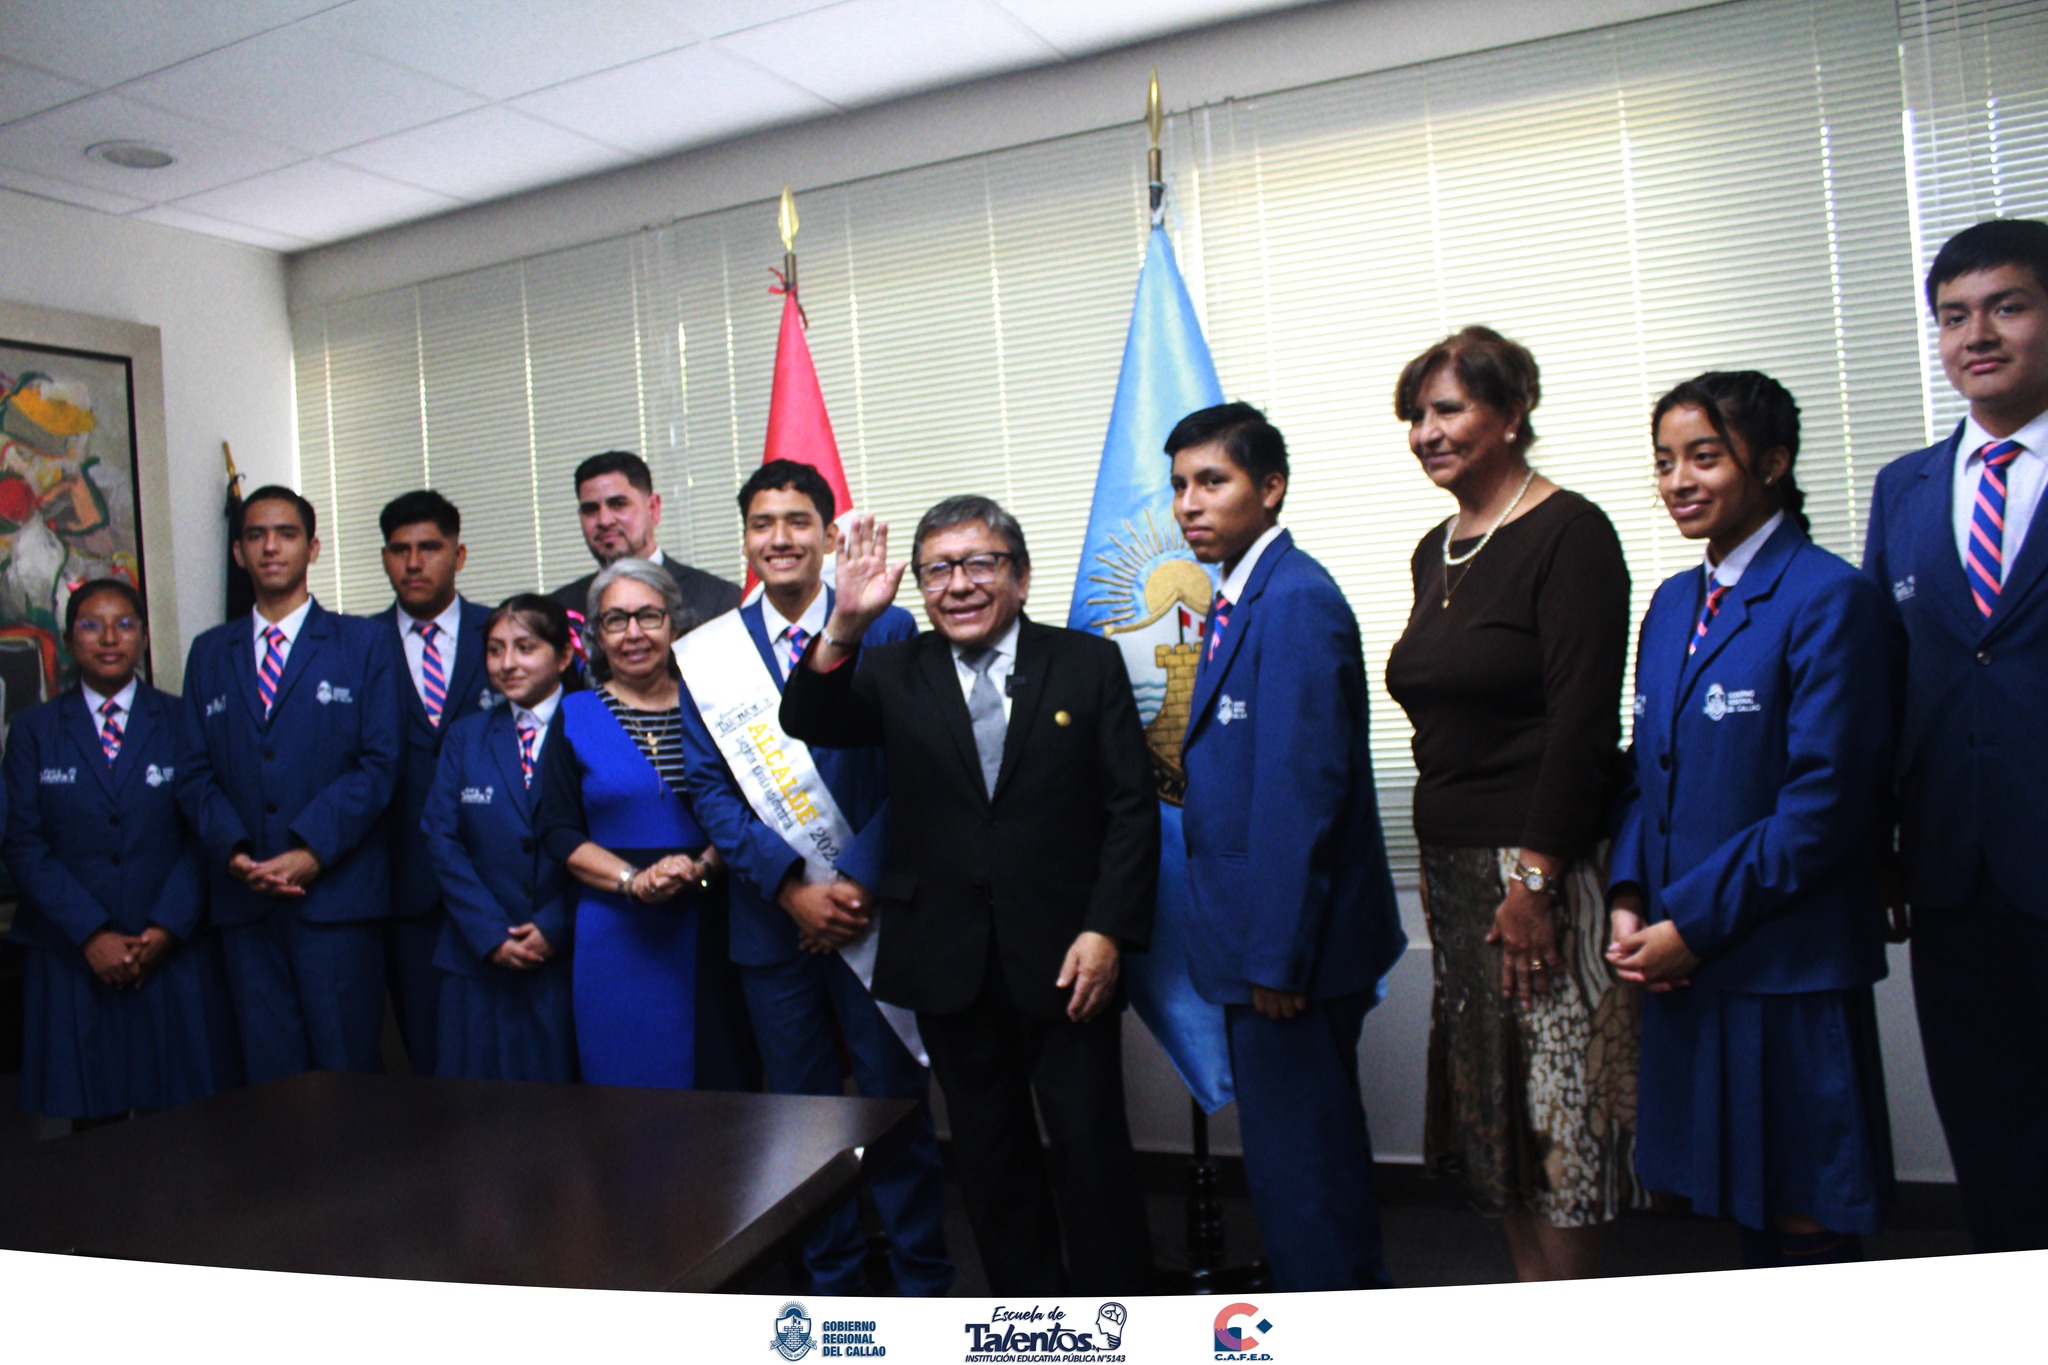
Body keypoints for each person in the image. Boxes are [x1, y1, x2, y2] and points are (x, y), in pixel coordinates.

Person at [781, 496, 1157, 1296]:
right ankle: (1030, 1317)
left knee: (1091, 1149)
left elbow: (1130, 808)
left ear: (1019, 576)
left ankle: (1119, 1316)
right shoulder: (893, 669)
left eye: (979, 563)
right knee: (990, 1158)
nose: (958, 584)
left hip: (1068, 955)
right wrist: (845, 621)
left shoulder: (1085, 663)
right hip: (947, 956)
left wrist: (1108, 930)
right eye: (937, 569)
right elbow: (805, 714)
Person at [1610, 371, 1894, 1268]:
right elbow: (1644, 771)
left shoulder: (1829, 598)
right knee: (1738, 1209)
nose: (1679, 481)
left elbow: (1827, 806)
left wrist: (1691, 920)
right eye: (1664, 462)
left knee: (1805, 1214)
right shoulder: (1670, 604)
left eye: (1705, 456)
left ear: (1772, 463)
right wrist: (1627, 891)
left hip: (1786, 961)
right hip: (1690, 958)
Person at [1381, 330, 1641, 1280]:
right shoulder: (1432, 549)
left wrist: (1534, 878)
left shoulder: (1571, 532)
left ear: (1511, 414)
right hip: (1456, 870)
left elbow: (1581, 724)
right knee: (1496, 1117)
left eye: (1448, 410)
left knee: (1557, 1114)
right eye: (1416, 415)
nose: (1426, 432)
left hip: (1539, 868)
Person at [676, 460, 950, 1296]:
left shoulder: (892, 628)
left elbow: (923, 768)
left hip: (876, 914)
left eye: (799, 521)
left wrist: (856, 879)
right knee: (798, 1118)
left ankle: (922, 1278)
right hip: (772, 921)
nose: (781, 538)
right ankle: (829, 1279)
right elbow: (709, 787)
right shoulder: (709, 654)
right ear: (746, 539)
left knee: (891, 1104)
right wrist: (791, 883)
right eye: (764, 523)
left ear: (831, 535)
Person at [1166, 403, 1408, 1291]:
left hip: (1286, 955)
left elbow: (1300, 798)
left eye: (1213, 482)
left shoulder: (1296, 600)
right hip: (1261, 939)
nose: (1190, 504)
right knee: (1290, 1163)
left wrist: (1276, 956)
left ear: (1269, 489)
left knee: (1305, 1173)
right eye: (1180, 486)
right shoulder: (1241, 594)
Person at [1863, 217, 2048, 1252]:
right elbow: (1878, 682)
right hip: (1950, 872)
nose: (1976, 334)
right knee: (1989, 1135)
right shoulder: (1905, 487)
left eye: (2006, 306)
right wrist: (1878, 843)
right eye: (1952, 316)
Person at [177, 486, 402, 1082]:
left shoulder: (365, 643)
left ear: (313, 548)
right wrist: (236, 854)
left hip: (336, 899)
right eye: (255, 535)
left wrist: (309, 852)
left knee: (347, 1073)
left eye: (286, 534)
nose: (270, 546)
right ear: (238, 553)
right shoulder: (208, 653)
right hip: (244, 901)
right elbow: (194, 771)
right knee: (267, 1083)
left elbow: (380, 764)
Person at [3, 578, 240, 1125]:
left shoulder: (184, 719)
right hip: (74, 952)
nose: (109, 638)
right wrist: (91, 933)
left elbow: (205, 832)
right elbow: (22, 841)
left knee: (185, 1130)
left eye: (125, 624)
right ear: (68, 640)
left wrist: (165, 928)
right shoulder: (34, 731)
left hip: (170, 948)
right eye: (91, 625)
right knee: (94, 1136)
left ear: (144, 636)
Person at [535, 558, 752, 1090]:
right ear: (596, 635)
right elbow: (558, 829)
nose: (634, 633)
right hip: (615, 926)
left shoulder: (714, 705)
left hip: (713, 918)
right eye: (615, 620)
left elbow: (749, 805)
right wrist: (635, 881)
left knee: (722, 1087)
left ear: (675, 625)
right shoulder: (574, 713)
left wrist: (698, 871)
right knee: (624, 1093)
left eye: (649, 616)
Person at [422, 594, 577, 1083]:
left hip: (566, 953)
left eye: (525, 647)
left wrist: (555, 925)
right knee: (479, 1119)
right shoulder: (465, 736)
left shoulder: (594, 724)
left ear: (564, 655)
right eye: (495, 650)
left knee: (568, 1119)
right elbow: (441, 837)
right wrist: (488, 933)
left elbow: (611, 837)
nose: (508, 663)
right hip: (477, 957)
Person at [373, 489, 496, 1077]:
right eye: (399, 550)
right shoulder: (356, 646)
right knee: (428, 1061)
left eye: (429, 547)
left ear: (460, 554)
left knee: (511, 1062)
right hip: (405, 887)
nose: (414, 563)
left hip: (499, 882)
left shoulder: (505, 634)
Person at [547, 450, 741, 634]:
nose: (604, 520)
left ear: (653, 508)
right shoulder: (559, 612)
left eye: (618, 504)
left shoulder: (718, 599)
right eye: (590, 509)